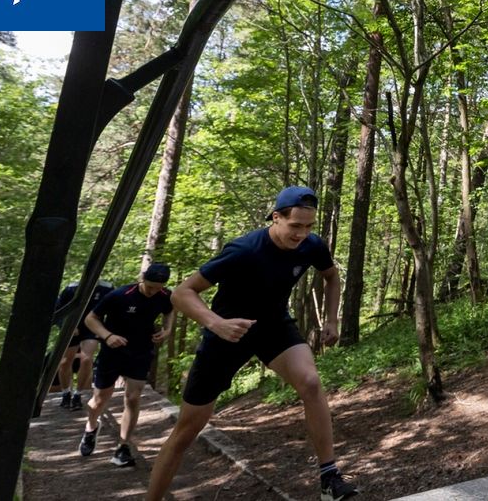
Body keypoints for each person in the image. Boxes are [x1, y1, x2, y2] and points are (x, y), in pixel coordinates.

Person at [145, 186, 358, 501]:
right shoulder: (244, 250)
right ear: (276, 217)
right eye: (295, 225)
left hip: (273, 326)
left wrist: (331, 320)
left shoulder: (311, 246)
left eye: (309, 226)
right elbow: (181, 292)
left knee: (311, 382)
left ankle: (329, 477)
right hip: (226, 334)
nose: (302, 234)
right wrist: (216, 323)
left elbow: (331, 275)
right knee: (187, 431)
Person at [78, 264, 176, 467]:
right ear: (142, 279)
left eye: (158, 288)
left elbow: (169, 311)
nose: (153, 291)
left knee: (133, 397)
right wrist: (108, 336)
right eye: (150, 287)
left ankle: (123, 446)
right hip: (112, 351)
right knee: (99, 400)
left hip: (141, 351)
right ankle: (91, 428)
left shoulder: (165, 295)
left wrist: (167, 330)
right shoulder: (120, 295)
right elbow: (91, 318)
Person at [54, 280, 114, 411]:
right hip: (72, 327)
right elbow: (58, 310)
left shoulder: (107, 288)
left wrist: (106, 331)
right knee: (65, 362)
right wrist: (65, 326)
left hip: (92, 328)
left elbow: (113, 311)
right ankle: (65, 393)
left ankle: (78, 395)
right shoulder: (72, 289)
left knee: (87, 359)